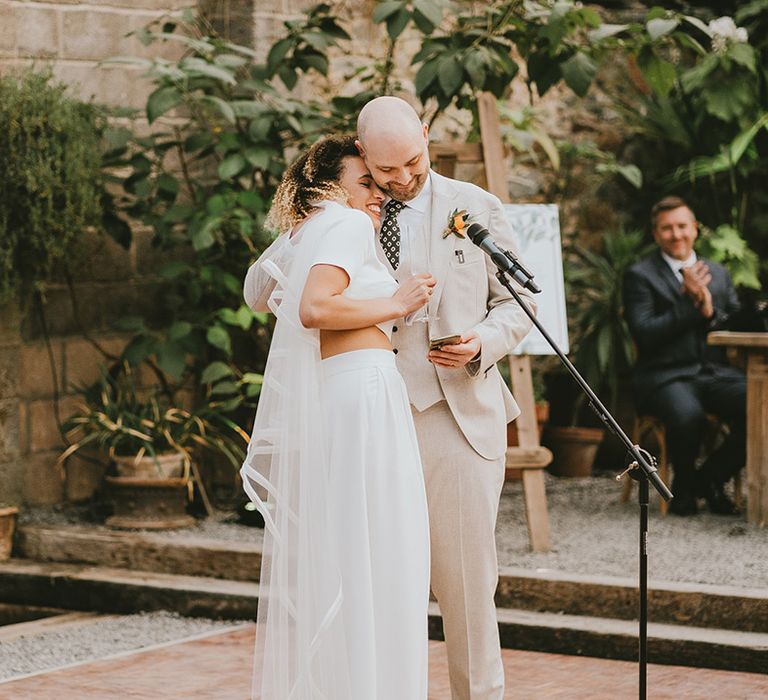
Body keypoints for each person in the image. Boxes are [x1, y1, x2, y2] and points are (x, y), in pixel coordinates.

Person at [240, 135, 435, 699]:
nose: (379, 195)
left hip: (343, 395)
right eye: (366, 183)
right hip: (364, 392)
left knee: (358, 553)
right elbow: (315, 308)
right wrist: (397, 302)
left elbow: (258, 291)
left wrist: (300, 229)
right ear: (332, 189)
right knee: (386, 555)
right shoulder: (346, 226)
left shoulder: (319, 230)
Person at [355, 96, 535, 700]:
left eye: (412, 160)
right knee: (378, 582)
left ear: (427, 134)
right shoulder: (348, 211)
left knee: (465, 584)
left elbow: (521, 302)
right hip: (371, 418)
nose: (403, 178)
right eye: (387, 171)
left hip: (457, 416)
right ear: (363, 158)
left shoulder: (474, 205)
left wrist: (481, 341)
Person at [623, 195, 746, 516]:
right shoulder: (640, 275)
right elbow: (645, 331)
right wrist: (689, 304)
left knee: (760, 403)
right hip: (663, 376)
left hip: (713, 374)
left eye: (681, 226)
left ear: (695, 229)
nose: (676, 234)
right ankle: (685, 485)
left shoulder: (718, 273)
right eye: (667, 229)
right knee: (687, 415)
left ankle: (711, 478)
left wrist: (708, 308)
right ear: (655, 234)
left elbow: (733, 322)